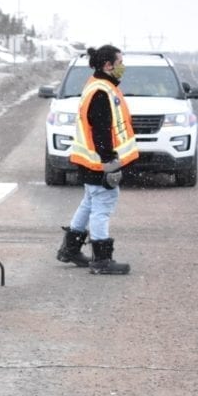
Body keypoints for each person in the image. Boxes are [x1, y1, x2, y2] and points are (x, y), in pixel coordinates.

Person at [55, 44, 139, 274]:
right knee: (103, 205)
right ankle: (101, 260)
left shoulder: (99, 85)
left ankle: (70, 249)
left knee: (90, 202)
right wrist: (110, 163)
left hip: (89, 161)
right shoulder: (102, 91)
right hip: (99, 162)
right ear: (107, 65)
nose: (123, 67)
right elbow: (100, 131)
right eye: (120, 63)